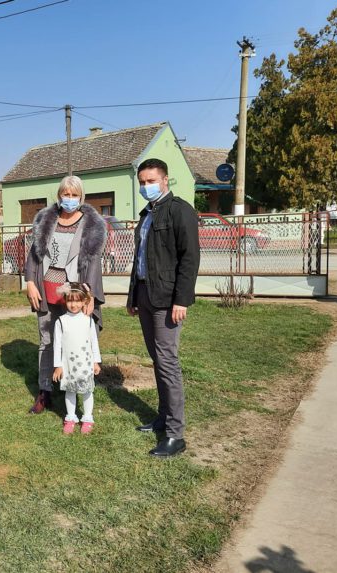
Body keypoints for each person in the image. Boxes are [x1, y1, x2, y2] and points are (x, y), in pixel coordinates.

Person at [126, 158, 200, 458]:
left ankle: (175, 433)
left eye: (151, 181)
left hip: (168, 299)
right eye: (142, 182)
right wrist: (133, 297)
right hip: (145, 294)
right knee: (157, 359)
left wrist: (181, 299)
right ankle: (162, 416)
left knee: (167, 361)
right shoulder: (147, 214)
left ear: (165, 180)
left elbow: (190, 258)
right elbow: (140, 260)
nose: (146, 186)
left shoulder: (180, 210)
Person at [24, 175, 106, 414]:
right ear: (59, 195)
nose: (69, 199)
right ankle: (45, 390)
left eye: (74, 195)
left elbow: (93, 263)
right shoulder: (45, 219)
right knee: (47, 340)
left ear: (81, 197)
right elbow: (34, 254)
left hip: (75, 293)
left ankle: (79, 387)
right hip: (46, 289)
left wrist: (89, 295)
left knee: (78, 339)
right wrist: (30, 282)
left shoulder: (91, 224)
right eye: (65, 194)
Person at [52, 283, 102, 434]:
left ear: (84, 301)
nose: (73, 305)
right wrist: (58, 365)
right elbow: (57, 345)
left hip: (85, 364)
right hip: (68, 364)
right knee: (70, 391)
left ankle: (87, 418)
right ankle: (71, 417)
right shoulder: (61, 322)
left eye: (77, 301)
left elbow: (94, 342)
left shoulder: (88, 321)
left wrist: (96, 361)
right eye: (70, 301)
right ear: (65, 300)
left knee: (87, 391)